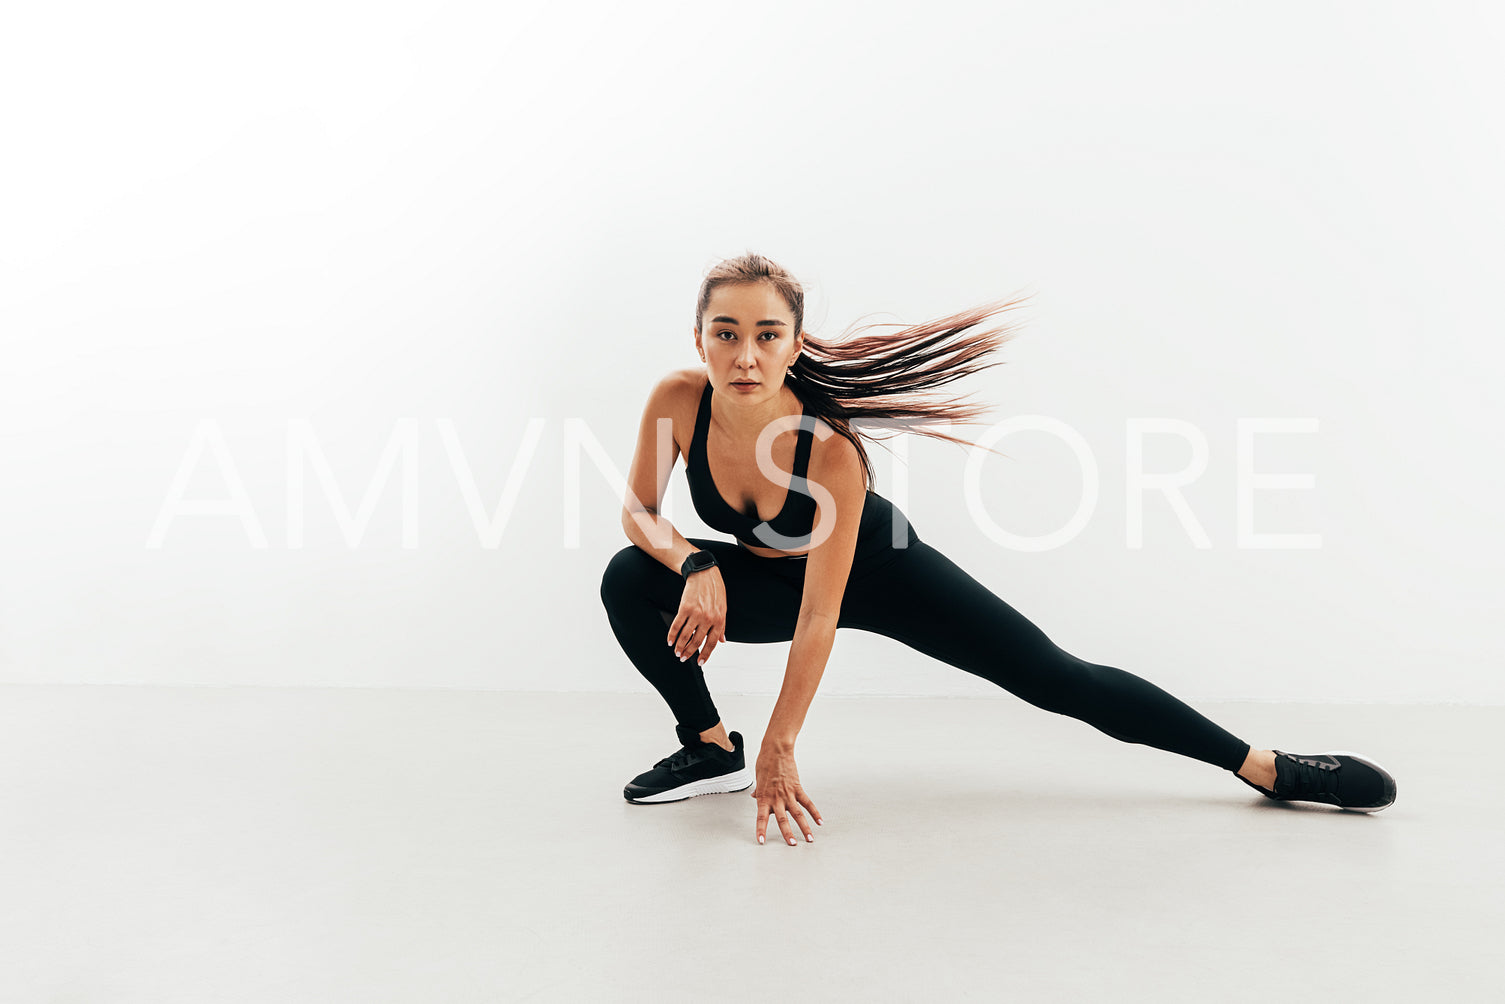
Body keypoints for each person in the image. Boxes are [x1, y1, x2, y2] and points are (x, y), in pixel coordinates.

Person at [598, 253, 1397, 848]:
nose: (744, 356)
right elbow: (638, 509)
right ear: (697, 338)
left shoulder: (828, 449)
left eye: (766, 335)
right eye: (725, 333)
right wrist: (696, 564)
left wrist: (781, 747)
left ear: (795, 342)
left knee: (1056, 678)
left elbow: (818, 617)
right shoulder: (677, 399)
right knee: (631, 577)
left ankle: (1262, 764)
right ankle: (708, 751)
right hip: (760, 577)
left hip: (878, 570)